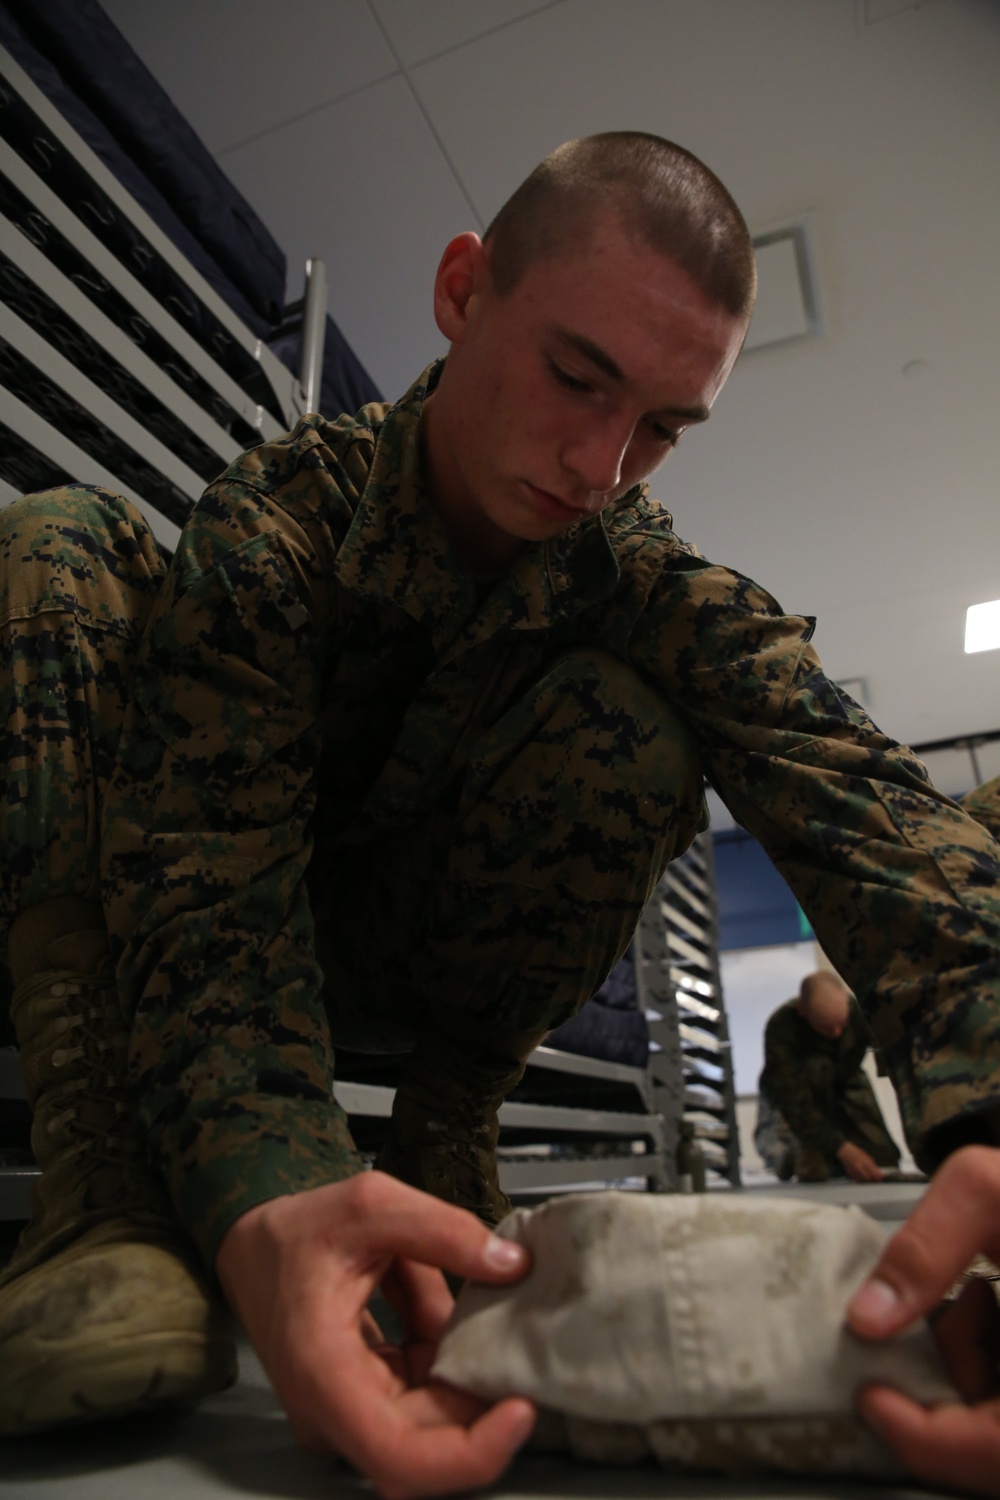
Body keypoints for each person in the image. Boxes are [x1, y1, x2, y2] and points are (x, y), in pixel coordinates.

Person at [0, 131, 999, 1498]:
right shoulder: (279, 526)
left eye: (661, 425)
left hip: (417, 971)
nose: (602, 464)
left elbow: (865, 801)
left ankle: (440, 1136)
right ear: (464, 291)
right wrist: (273, 1200)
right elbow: (210, 891)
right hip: (204, 938)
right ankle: (103, 1180)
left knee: (644, 722)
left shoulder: (637, 580)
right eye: (575, 376)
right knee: (56, 539)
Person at [755, 970, 901, 1183]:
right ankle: (794, 1153)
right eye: (826, 1027)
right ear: (802, 1010)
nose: (836, 1033)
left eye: (841, 1024)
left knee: (880, 1160)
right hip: (793, 1093)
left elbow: (896, 1055)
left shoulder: (859, 1014)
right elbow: (792, 1097)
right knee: (812, 1169)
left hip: (844, 1079)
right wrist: (842, 1148)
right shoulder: (781, 1026)